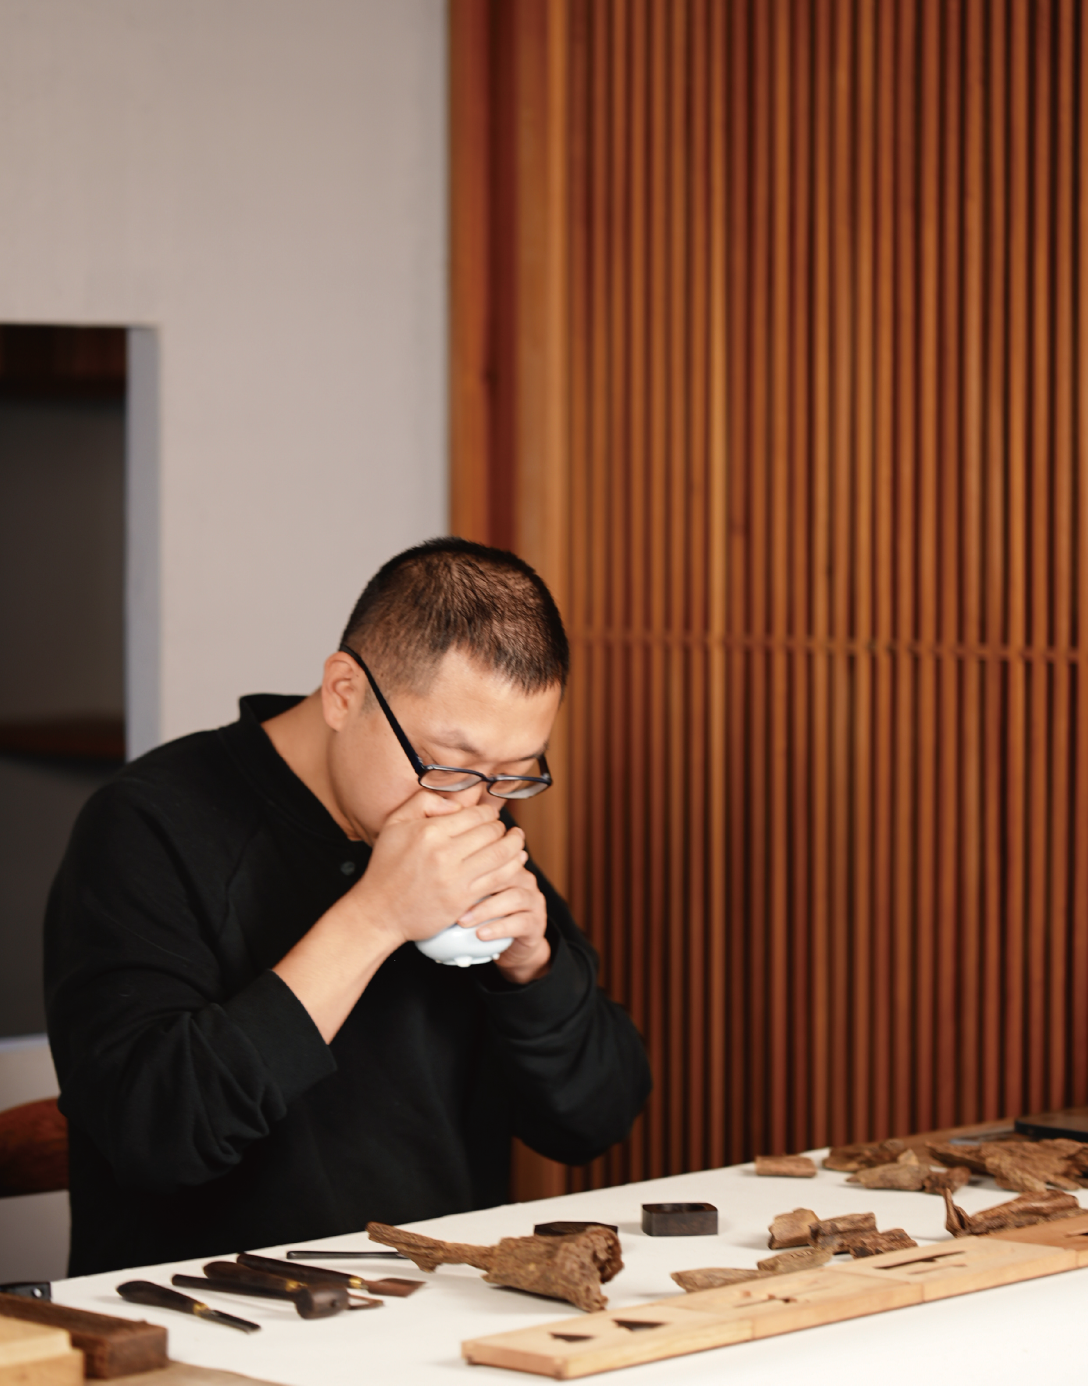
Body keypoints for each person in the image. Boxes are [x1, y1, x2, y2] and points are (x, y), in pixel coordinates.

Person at [44, 538, 651, 1277]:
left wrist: (533, 969)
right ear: (343, 693)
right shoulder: (149, 824)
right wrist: (376, 916)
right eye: (449, 765)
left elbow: (595, 1121)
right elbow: (154, 1136)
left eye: (514, 774)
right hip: (208, 1308)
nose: (475, 806)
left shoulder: (468, 811)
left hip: (440, 1302)